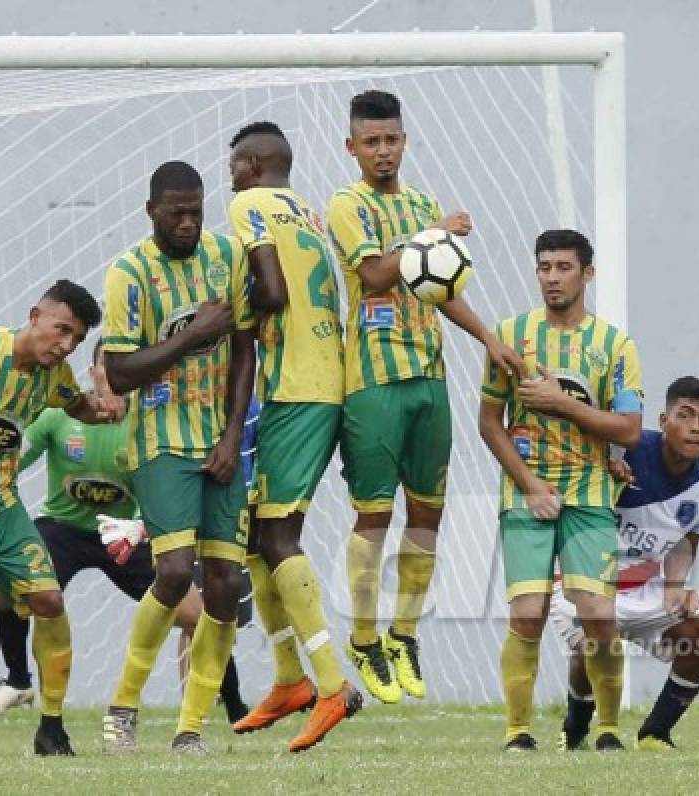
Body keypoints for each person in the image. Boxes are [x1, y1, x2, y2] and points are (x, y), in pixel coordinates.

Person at [326, 89, 522, 704]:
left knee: (429, 514)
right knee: (375, 516)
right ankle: (362, 636)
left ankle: (403, 634)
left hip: (429, 378)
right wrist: (434, 230)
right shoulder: (346, 203)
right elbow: (376, 275)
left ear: (404, 140)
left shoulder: (419, 202)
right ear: (351, 146)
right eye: (371, 142)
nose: (383, 151)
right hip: (373, 383)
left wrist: (488, 336)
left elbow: (438, 285)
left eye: (392, 140)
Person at [0, 341, 248, 723]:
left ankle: (235, 705)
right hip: (63, 529)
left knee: (198, 615)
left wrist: (138, 526)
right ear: (92, 373)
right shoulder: (59, 418)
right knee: (8, 583)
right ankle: (19, 681)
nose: (117, 379)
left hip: (123, 532)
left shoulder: (149, 425)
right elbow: (12, 462)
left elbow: (164, 490)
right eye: (108, 369)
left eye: (126, 369)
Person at [99, 161, 255, 755]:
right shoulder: (129, 274)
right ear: (152, 212)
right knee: (171, 571)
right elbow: (119, 370)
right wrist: (191, 334)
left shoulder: (225, 257)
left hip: (221, 441)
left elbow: (245, 351)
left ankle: (191, 728)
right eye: (176, 213)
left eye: (196, 211)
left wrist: (233, 434)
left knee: (224, 586)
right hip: (161, 440)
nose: (189, 223)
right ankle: (123, 706)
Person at [225, 120, 361, 752]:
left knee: (278, 536)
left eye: (234, 165)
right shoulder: (305, 210)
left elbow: (272, 291)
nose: (230, 175)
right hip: (321, 381)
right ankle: (288, 680)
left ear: (252, 163)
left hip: (296, 391)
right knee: (256, 538)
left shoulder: (248, 205)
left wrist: (227, 312)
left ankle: (333, 685)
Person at [478, 228, 643, 751]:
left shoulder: (614, 344)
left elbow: (629, 429)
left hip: (591, 494)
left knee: (598, 615)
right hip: (528, 492)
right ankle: (517, 732)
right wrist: (528, 484)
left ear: (586, 274)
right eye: (544, 267)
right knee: (527, 611)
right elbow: (489, 422)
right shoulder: (510, 335)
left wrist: (561, 403)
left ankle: (610, 730)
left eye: (563, 268)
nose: (552, 278)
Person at [0, 278, 112, 755]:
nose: (65, 346)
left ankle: (52, 729)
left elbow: (82, 407)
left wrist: (109, 406)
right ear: (35, 315)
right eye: (61, 330)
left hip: (1, 513)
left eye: (76, 339)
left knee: (50, 602)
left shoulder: (54, 378)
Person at [553, 376, 699, 751]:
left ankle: (656, 733)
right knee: (598, 641)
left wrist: (675, 584)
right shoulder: (623, 451)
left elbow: (686, 540)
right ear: (663, 421)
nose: (695, 426)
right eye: (684, 415)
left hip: (644, 588)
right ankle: (576, 727)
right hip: (586, 580)